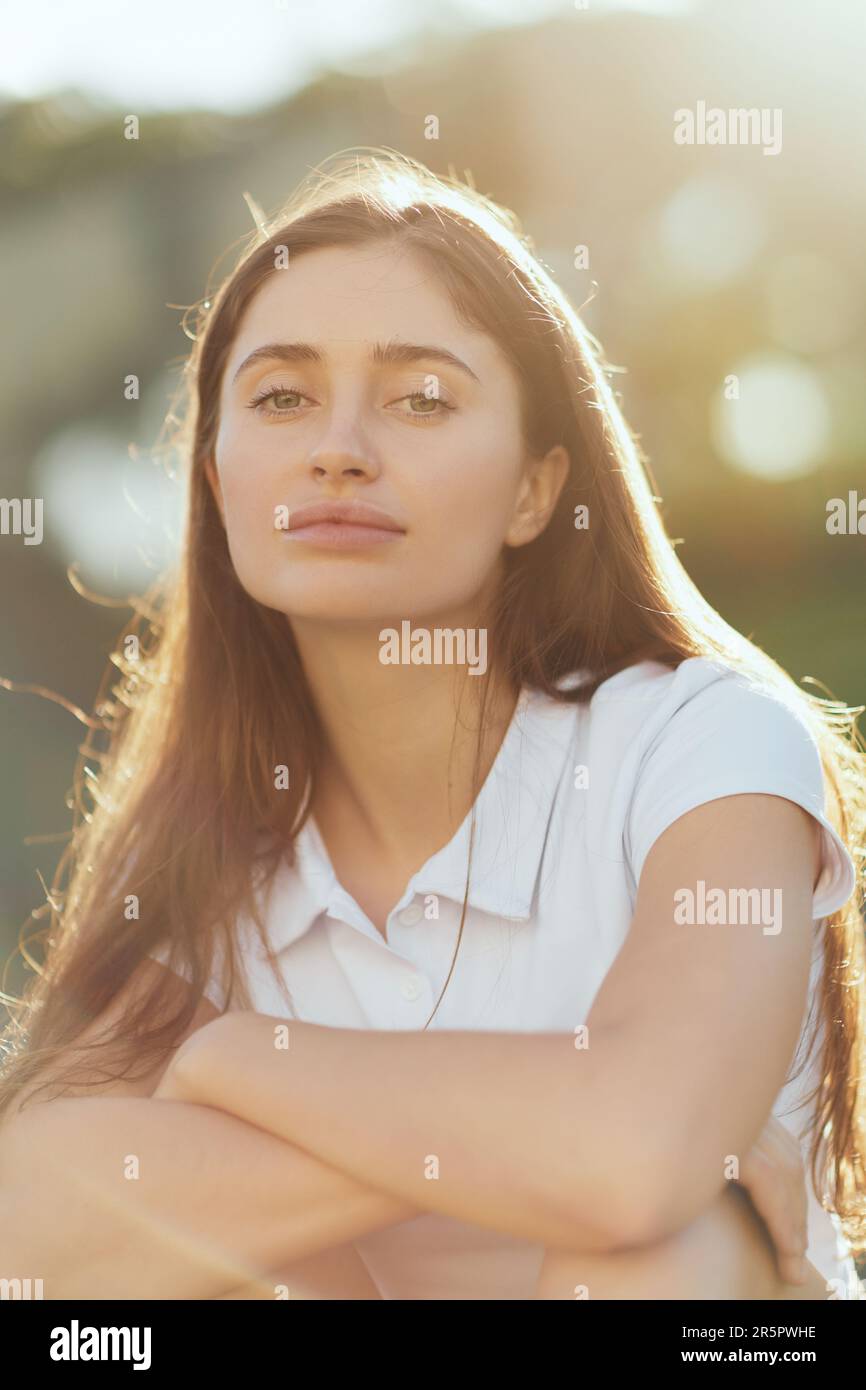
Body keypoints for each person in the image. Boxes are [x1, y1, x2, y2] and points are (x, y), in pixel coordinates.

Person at [1, 149, 864, 1301]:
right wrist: (562, 1128)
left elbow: (634, 1172)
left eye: (420, 398)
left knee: (663, 1246)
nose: (338, 448)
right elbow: (38, 1225)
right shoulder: (199, 845)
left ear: (532, 487)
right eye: (280, 397)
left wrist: (230, 1060)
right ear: (213, 479)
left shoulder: (703, 744)